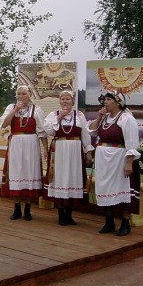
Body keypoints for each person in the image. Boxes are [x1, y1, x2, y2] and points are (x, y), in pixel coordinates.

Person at [88, 90, 141, 236]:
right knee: (106, 189)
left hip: (120, 160)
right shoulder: (104, 119)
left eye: (109, 100)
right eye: (104, 100)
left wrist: (129, 163)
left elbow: (132, 143)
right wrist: (99, 117)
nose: (105, 102)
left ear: (118, 103)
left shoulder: (126, 118)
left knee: (123, 190)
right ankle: (109, 221)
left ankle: (125, 223)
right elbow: (91, 131)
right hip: (105, 162)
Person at [43, 90, 93, 225]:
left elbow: (85, 135)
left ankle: (69, 214)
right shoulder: (53, 115)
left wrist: (88, 151)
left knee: (72, 178)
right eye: (63, 99)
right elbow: (49, 131)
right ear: (60, 101)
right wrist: (59, 118)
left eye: (68, 99)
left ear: (73, 101)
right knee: (60, 178)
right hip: (59, 151)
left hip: (75, 153)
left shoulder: (79, 115)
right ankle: (61, 215)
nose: (65, 101)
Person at [0, 85, 48, 221]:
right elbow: (3, 124)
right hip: (15, 143)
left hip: (31, 144)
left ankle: (27, 208)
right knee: (16, 173)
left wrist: (45, 149)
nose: (21, 96)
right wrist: (15, 110)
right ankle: (16, 208)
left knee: (29, 173)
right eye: (19, 94)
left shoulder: (36, 110)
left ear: (29, 95)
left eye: (23, 94)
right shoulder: (11, 108)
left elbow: (42, 132)